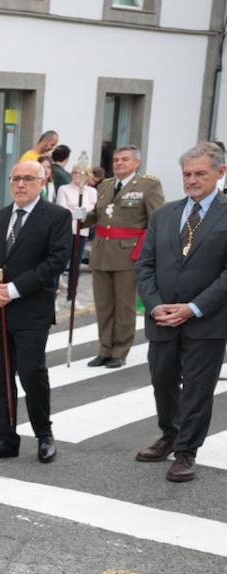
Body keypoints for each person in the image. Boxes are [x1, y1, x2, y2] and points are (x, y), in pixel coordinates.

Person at [134, 141, 227, 483]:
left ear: (221, 172)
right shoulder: (164, 215)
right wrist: (156, 304)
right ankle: (169, 435)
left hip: (207, 320)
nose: (191, 180)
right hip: (163, 317)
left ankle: (186, 450)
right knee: (163, 381)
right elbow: (145, 264)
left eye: (200, 173)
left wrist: (194, 308)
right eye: (187, 173)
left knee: (198, 389)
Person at [0, 160, 71, 464]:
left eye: (28, 178)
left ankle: (44, 434)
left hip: (31, 309)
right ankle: (5, 438)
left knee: (31, 372)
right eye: (15, 178)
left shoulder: (57, 216)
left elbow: (55, 262)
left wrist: (13, 290)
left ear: (42, 182)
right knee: (0, 377)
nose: (20, 184)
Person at [82, 145, 164, 368]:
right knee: (104, 304)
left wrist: (148, 254)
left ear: (136, 163)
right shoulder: (106, 185)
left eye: (125, 159)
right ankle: (104, 348)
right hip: (101, 252)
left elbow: (156, 222)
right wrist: (80, 216)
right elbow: (97, 216)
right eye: (116, 160)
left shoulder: (149, 185)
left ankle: (120, 350)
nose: (119, 163)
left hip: (129, 254)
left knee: (124, 305)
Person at [56, 163, 98, 291]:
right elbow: (62, 209)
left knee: (76, 264)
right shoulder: (64, 189)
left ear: (87, 175)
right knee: (60, 261)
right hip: (66, 230)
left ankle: (72, 295)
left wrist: (77, 209)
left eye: (80, 173)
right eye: (74, 172)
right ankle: (55, 294)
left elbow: (93, 208)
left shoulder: (91, 191)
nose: (76, 175)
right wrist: (79, 211)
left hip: (82, 230)